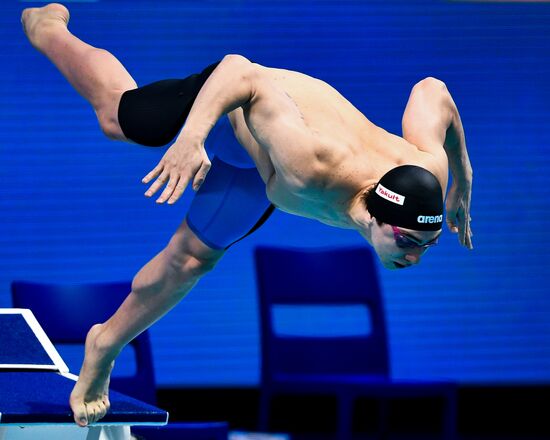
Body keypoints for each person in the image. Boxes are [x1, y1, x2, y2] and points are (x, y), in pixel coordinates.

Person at [21, 3, 473, 427]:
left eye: (426, 245)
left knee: (193, 259)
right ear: (376, 212)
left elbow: (433, 91)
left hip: (257, 162)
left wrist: (462, 184)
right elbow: (241, 71)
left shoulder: (426, 170)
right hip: (230, 106)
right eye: (410, 242)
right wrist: (191, 140)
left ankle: (103, 344)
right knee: (116, 119)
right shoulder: (312, 161)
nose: (414, 257)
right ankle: (48, 27)